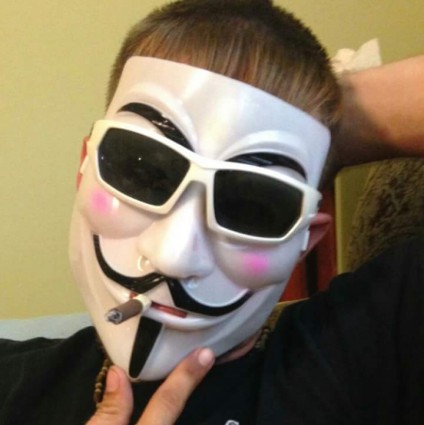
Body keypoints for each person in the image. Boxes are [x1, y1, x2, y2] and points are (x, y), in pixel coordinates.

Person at [0, 2, 423, 425]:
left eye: (252, 206)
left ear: (304, 240)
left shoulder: (368, 355)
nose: (174, 257)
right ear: (85, 167)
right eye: (141, 170)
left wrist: (318, 123)